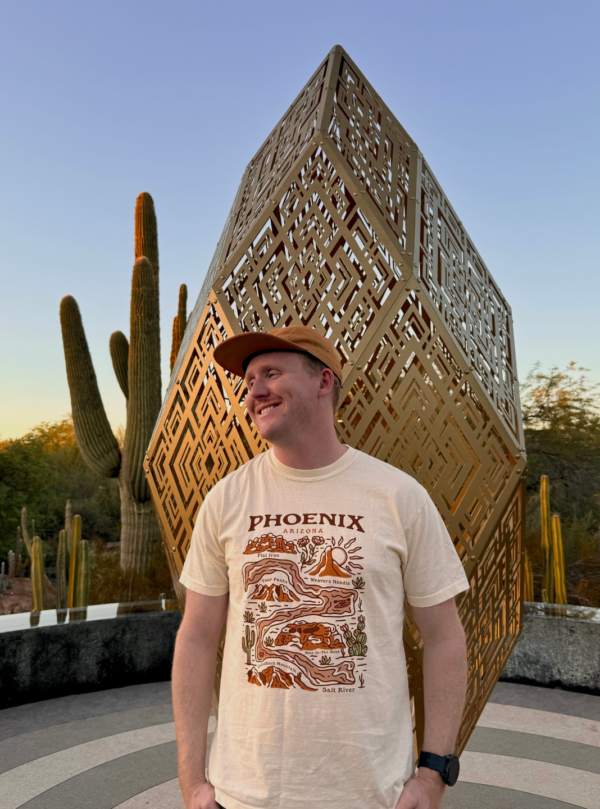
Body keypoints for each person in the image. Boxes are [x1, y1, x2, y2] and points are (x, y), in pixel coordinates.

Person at [172, 325, 470, 809]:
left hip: (372, 795)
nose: (255, 391)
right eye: (248, 381)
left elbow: (444, 638)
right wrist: (191, 780)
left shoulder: (399, 497)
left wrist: (435, 770)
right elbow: (197, 637)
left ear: (323, 382)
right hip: (243, 794)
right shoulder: (226, 500)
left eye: (271, 373)